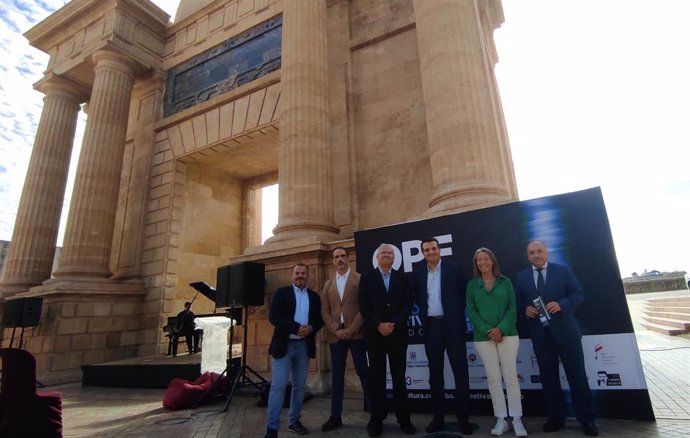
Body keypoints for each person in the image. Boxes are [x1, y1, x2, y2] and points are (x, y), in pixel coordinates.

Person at [514, 241, 599, 437]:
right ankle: (555, 418)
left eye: (539, 251)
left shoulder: (563, 271)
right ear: (528, 256)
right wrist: (524, 308)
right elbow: (517, 300)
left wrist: (562, 304)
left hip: (566, 333)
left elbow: (578, 294)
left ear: (546, 252)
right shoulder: (521, 277)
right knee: (549, 379)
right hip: (541, 336)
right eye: (532, 253)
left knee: (577, 377)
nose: (536, 255)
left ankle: (586, 420)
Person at [412, 237, 478, 435]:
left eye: (433, 248)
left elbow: (464, 295)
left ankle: (463, 420)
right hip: (431, 327)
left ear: (439, 250)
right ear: (423, 253)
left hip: (453, 327)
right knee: (435, 375)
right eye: (426, 250)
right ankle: (438, 418)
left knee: (460, 373)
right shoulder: (418, 274)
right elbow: (418, 298)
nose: (430, 252)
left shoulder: (454, 269)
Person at [466, 247, 527, 437]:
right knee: (493, 379)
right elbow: (471, 310)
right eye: (478, 260)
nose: (482, 263)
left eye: (485, 259)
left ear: (492, 261)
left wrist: (501, 329)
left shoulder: (505, 282)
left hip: (507, 335)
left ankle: (516, 418)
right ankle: (501, 419)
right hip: (483, 338)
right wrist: (488, 331)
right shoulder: (472, 285)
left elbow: (512, 308)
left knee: (510, 377)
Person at [358, 243, 416, 437]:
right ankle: (376, 419)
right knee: (377, 380)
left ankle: (404, 419)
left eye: (389, 253)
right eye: (383, 252)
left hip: (397, 336)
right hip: (375, 337)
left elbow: (408, 304)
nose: (386, 255)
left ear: (394, 257)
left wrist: (394, 324)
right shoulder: (366, 279)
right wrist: (378, 325)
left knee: (400, 379)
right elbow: (364, 305)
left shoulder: (402, 277)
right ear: (376, 257)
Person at [263, 263, 324, 438]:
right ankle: (272, 428)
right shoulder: (282, 293)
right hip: (284, 345)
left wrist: (311, 328)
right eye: (297, 273)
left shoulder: (314, 297)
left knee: (299, 386)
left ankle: (294, 421)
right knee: (278, 385)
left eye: (303, 273)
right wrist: (295, 328)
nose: (300, 276)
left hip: (304, 346)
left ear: (308, 276)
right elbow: (274, 316)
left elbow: (319, 320)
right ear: (292, 276)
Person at [320, 246, 370, 431]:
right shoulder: (328, 284)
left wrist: (352, 328)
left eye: (342, 256)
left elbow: (365, 306)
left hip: (356, 334)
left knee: (364, 372)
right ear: (333, 261)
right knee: (337, 377)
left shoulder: (359, 279)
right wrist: (336, 330)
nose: (339, 259)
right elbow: (324, 311)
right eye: (336, 257)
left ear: (348, 258)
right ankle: (335, 416)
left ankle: (374, 414)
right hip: (336, 337)